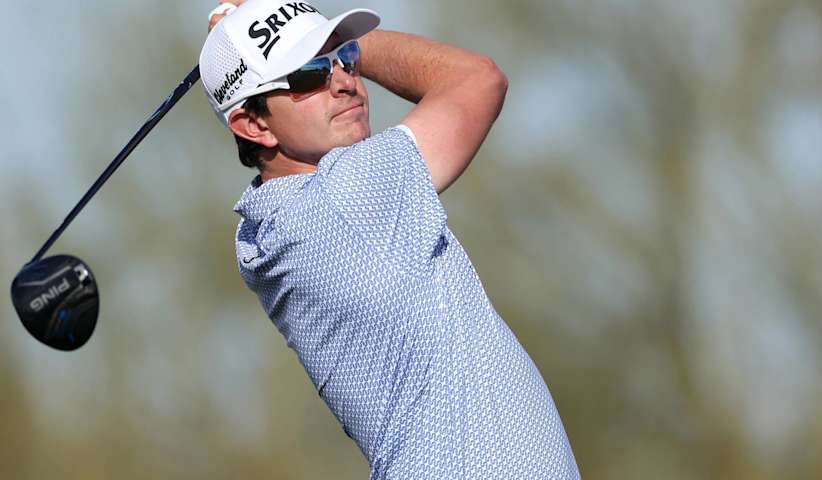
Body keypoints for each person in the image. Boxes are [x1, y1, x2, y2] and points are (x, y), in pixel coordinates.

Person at [201, 1, 581, 478]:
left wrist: (258, 40)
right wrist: (314, 31)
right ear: (252, 125)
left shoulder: (266, 226)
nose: (343, 80)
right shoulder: (344, 197)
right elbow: (479, 79)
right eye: (310, 72)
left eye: (344, 58)